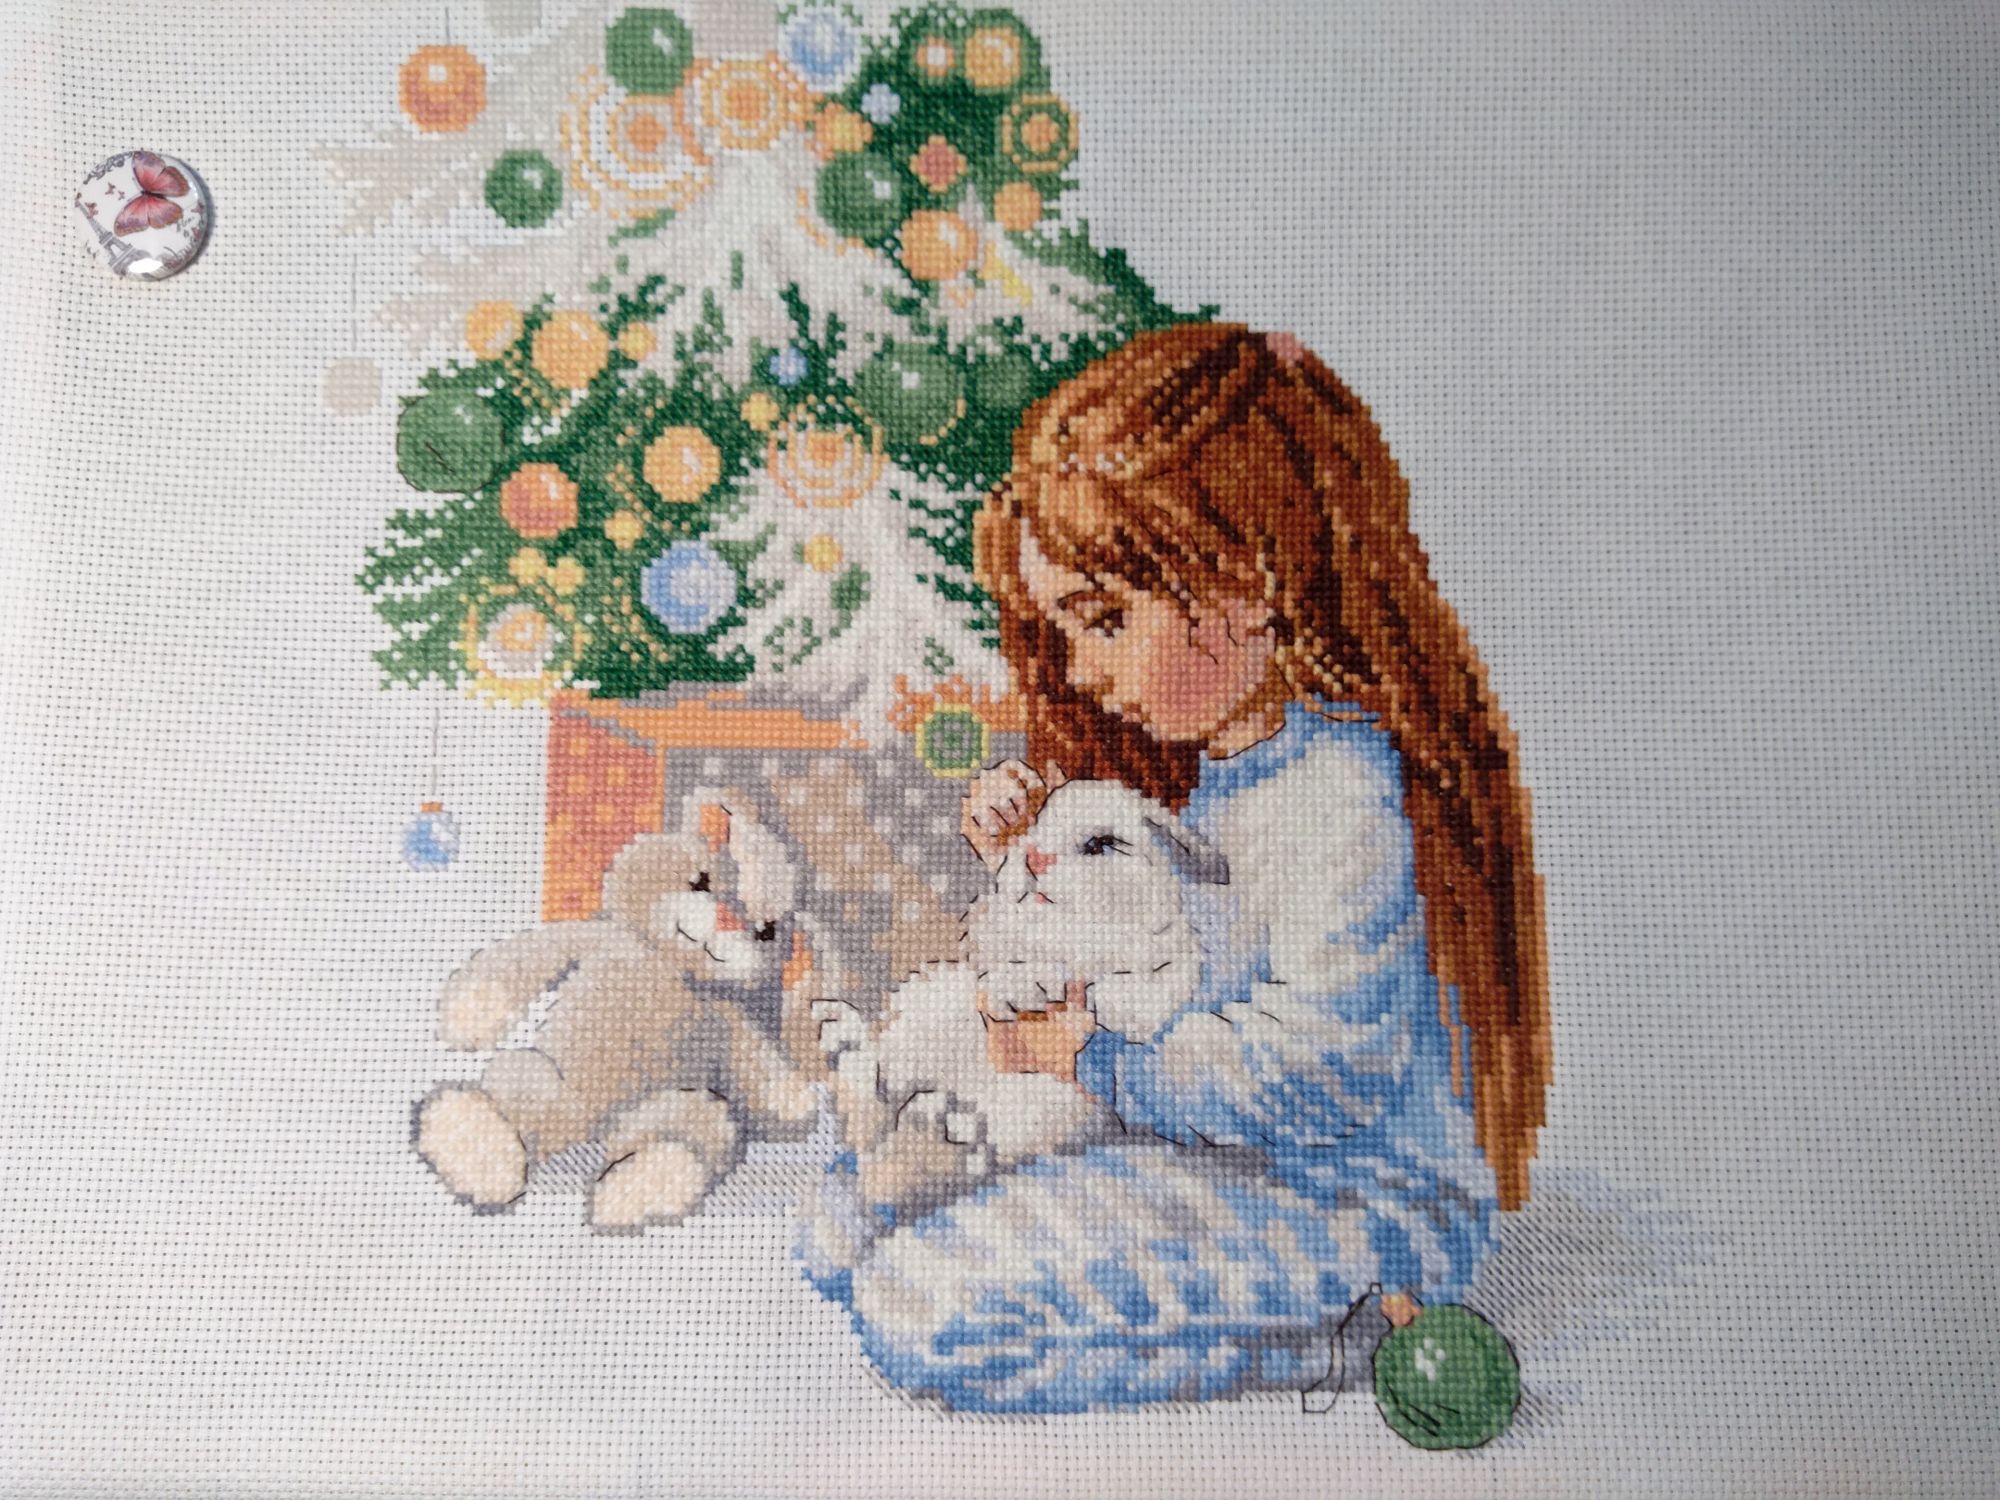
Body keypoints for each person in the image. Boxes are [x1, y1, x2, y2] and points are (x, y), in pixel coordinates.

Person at [818, 323, 1552, 1413]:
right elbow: (1160, 957)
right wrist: (1030, 862)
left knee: (918, 1299)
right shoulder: (1219, 779)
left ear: (1253, 581)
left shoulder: (1339, 797)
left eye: (1106, 619)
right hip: (1223, 1155)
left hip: (1357, 1206)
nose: (1079, 668)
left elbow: (1318, 1071)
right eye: (1065, 628)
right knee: (849, 1225)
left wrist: (1094, 1059)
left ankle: (1347, 1328)